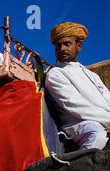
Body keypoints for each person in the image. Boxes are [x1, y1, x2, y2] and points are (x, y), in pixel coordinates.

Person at [45, 22, 110, 151]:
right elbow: (77, 107)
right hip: (77, 124)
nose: (62, 48)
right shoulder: (55, 74)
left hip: (104, 119)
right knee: (97, 135)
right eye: (58, 46)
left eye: (67, 44)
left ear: (78, 46)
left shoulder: (92, 75)